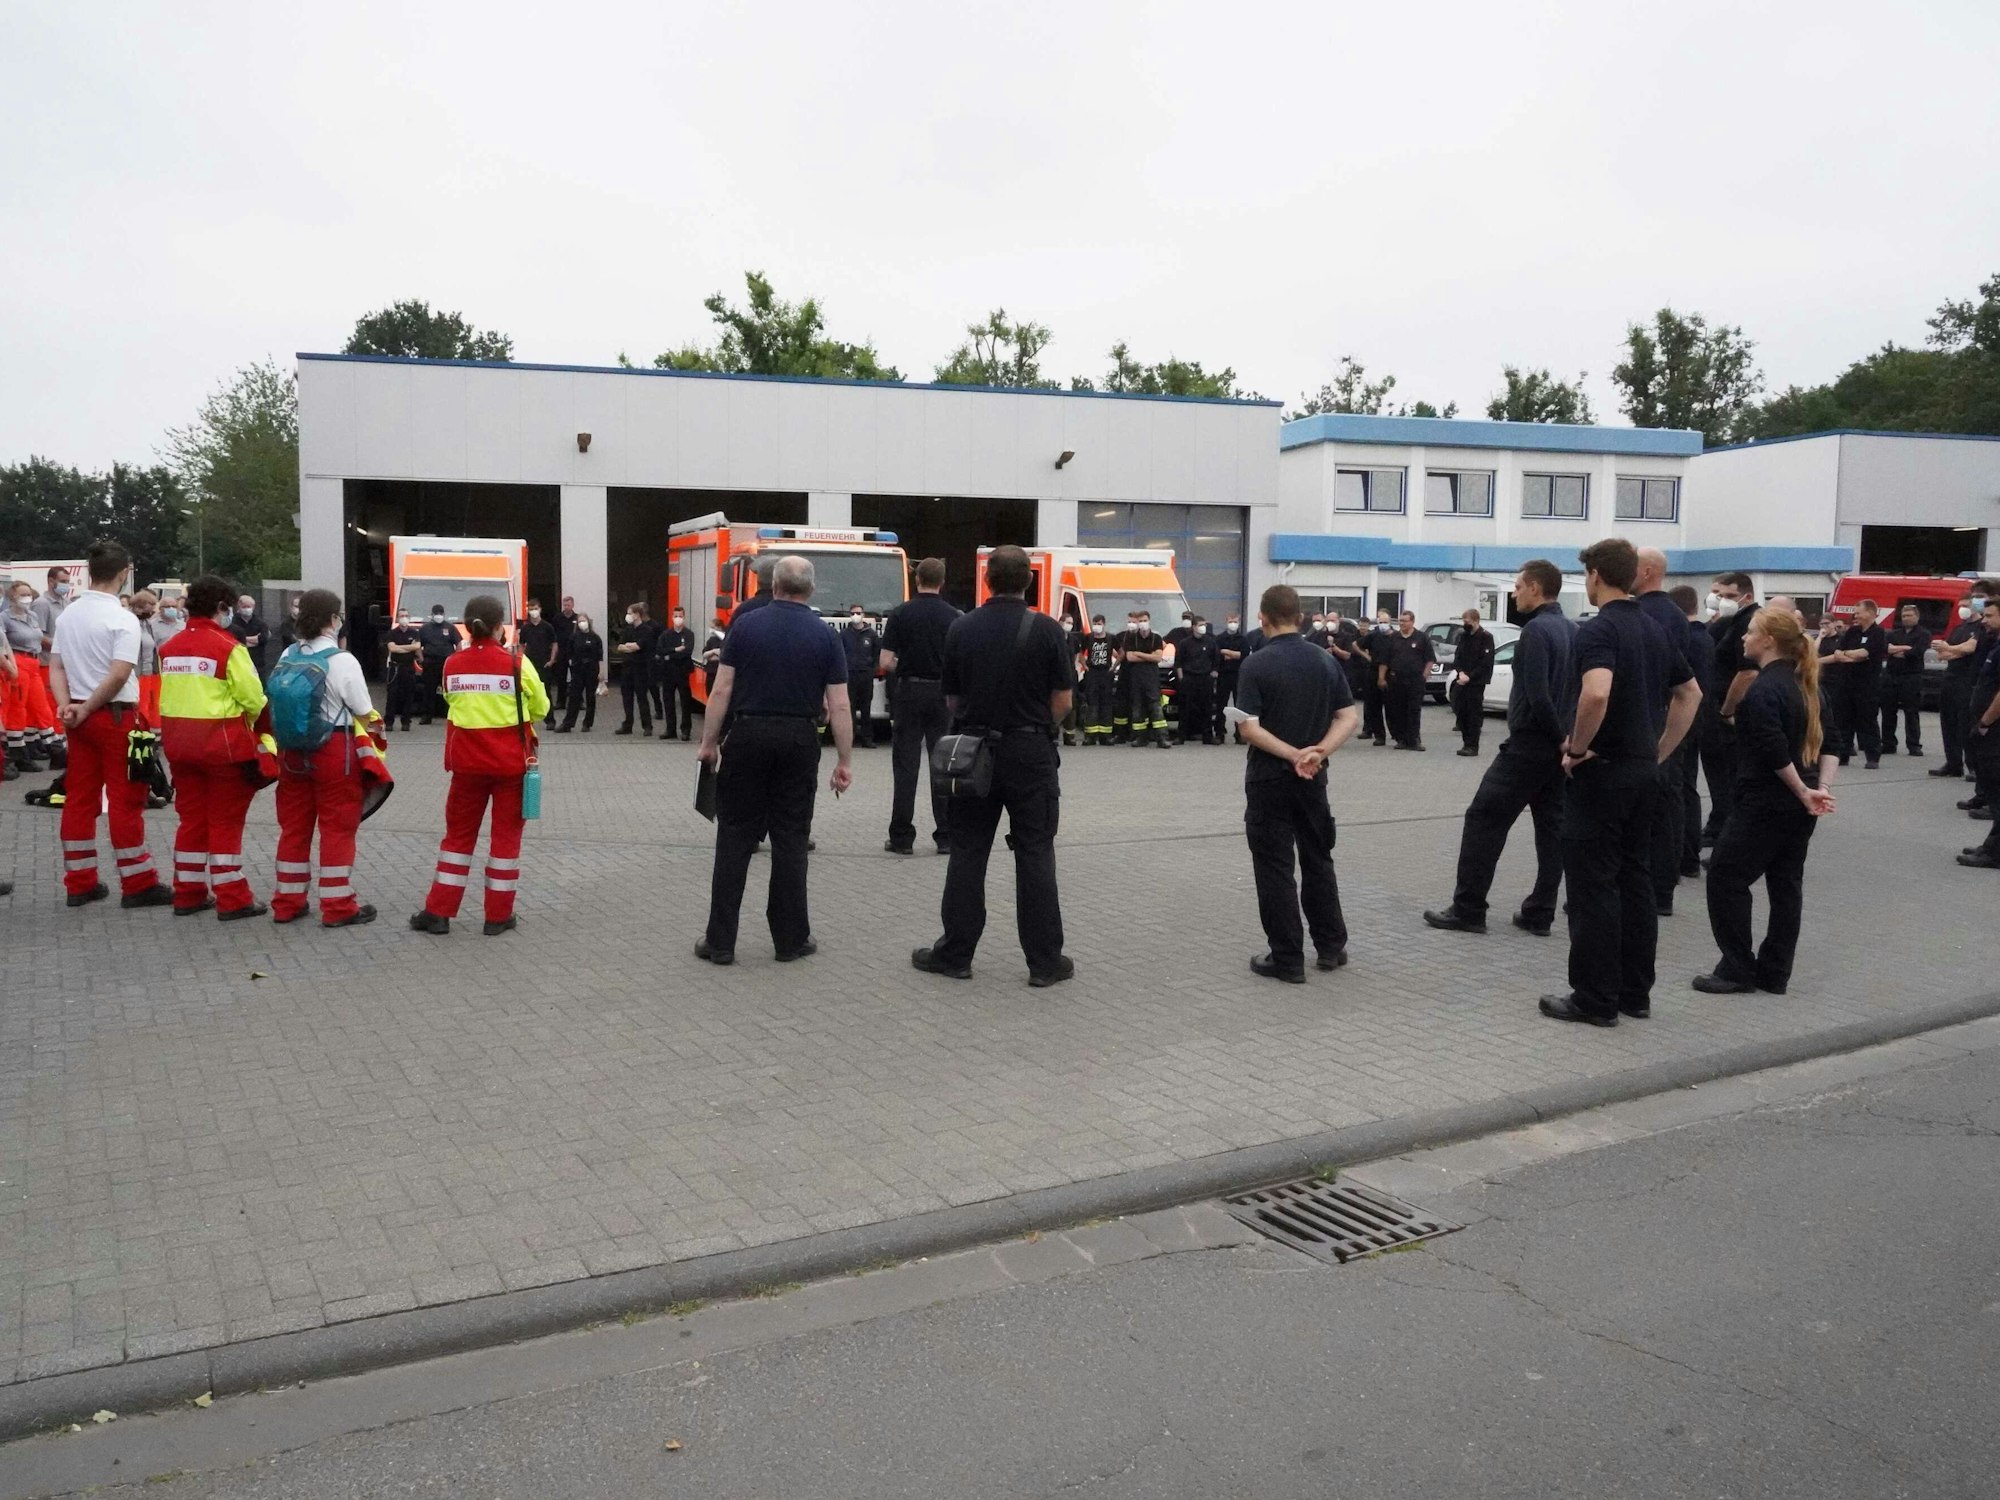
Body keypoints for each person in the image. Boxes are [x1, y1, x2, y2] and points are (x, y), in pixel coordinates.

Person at [1537, 538, 1700, 1028]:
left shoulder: (1599, 630)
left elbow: (1596, 693)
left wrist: (1578, 747)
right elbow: (1689, 694)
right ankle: (1635, 992)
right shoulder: (1655, 627)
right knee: (1635, 881)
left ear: (1596, 576)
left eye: (1585, 574)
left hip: (1602, 774)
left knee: (1593, 887)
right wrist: (1659, 751)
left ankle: (1594, 997)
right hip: (1642, 774)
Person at [911, 545, 1075, 987]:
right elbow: (1062, 701)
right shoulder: (1047, 631)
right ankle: (1044, 964)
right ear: (1029, 582)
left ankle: (956, 954)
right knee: (1036, 854)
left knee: (967, 852)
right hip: (1031, 755)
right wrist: (1035, 724)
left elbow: (952, 699)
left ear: (988, 581)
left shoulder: (962, 628)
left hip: (973, 756)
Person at [696, 556, 851, 963]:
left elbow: (722, 689)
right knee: (791, 840)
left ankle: (720, 942)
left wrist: (709, 742)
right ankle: (790, 939)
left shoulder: (745, 625)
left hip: (747, 736)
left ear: (774, 586)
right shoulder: (825, 635)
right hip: (799, 740)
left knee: (734, 837)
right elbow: (839, 705)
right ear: (811, 590)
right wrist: (845, 761)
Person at [1423, 561, 1577, 938]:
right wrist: (1568, 740)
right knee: (1551, 829)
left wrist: (1558, 737)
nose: (1513, 593)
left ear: (1536, 589)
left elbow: (1538, 695)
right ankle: (1540, 912)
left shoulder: (1537, 632)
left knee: (1483, 819)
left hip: (1530, 746)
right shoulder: (1572, 630)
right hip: (1557, 750)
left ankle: (1469, 908)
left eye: (1519, 586)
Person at [1693, 608, 1838, 991]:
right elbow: (1831, 743)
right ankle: (1775, 971)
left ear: (1769, 640)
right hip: (1800, 805)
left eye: (1751, 632)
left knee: (1725, 877)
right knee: (1785, 883)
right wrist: (1820, 787)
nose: (1744, 637)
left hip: (1766, 802)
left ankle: (1737, 967)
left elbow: (1774, 751)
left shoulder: (1763, 690)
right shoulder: (1807, 685)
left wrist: (1803, 789)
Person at [1233, 584, 1361, 982]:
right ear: (1302, 618)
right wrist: (1318, 753)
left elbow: (1248, 729)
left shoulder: (1254, 665)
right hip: (1313, 782)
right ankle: (1330, 946)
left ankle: (1286, 958)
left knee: (1275, 868)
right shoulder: (1324, 661)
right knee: (1318, 858)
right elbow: (1348, 717)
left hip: (1269, 779)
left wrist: (1292, 755)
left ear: (1262, 618)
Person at [410, 594, 549, 937]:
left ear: (468, 627)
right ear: (500, 627)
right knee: (505, 841)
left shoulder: (452, 664)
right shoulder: (518, 663)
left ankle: (438, 913)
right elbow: (542, 708)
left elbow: (449, 701)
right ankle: (497, 917)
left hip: (466, 767)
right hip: (511, 767)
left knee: (457, 838)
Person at [47, 541, 169, 908]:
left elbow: (56, 666)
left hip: (79, 719)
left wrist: (68, 706)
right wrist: (87, 708)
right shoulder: (122, 618)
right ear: (124, 573)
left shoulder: (68, 615)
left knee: (80, 799)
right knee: (127, 799)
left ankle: (80, 881)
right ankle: (138, 882)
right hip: (119, 717)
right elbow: (119, 674)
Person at [269, 589, 389, 928]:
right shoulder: (342, 660)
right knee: (337, 828)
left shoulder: (288, 654)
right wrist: (379, 733)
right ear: (333, 619)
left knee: (294, 827)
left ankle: (287, 903)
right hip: (335, 750)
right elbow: (364, 711)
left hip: (291, 751)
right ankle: (338, 906)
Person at [158, 575, 274, 919]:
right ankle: (233, 897)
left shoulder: (170, 647)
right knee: (225, 821)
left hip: (179, 746)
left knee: (191, 820)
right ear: (222, 607)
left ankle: (189, 893)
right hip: (222, 746)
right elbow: (253, 699)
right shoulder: (229, 647)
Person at [879, 558, 961, 854]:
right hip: (942, 696)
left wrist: (907, 665)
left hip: (909, 693)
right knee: (943, 765)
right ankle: (946, 837)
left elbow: (885, 661)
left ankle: (901, 838)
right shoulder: (955, 616)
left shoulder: (901, 613)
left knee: (905, 766)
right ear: (942, 581)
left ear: (917, 581)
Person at [1633, 549, 1695, 916]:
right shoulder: (1675, 616)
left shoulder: (1649, 615)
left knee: (1653, 811)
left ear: (1648, 571)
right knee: (1666, 808)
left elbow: (1678, 684)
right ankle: (1661, 891)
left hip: (1653, 726)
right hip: (1667, 724)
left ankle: (1656, 891)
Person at [1699, 573, 1758, 845]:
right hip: (1716, 708)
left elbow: (1747, 673)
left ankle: (1730, 837)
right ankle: (1718, 826)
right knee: (1719, 777)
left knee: (1729, 777)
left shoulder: (1750, 622)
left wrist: (1726, 711)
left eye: (1729, 596)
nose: (1721, 600)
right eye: (1717, 594)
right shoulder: (1729, 621)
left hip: (1730, 714)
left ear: (1747, 596)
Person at [1670, 585, 1717, 877]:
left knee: (1679, 789)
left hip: (1684, 721)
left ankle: (1683, 855)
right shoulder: (1705, 638)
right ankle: (1688, 855)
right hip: (1700, 721)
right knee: (1687, 787)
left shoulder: (1686, 640)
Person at [1955, 599, 2000, 867]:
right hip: (1988, 729)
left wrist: (1985, 722)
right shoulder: (1995, 645)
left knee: (1997, 792)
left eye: (1991, 616)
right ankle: (1991, 847)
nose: (1984, 620)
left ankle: (1994, 854)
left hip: (1994, 732)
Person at [1821, 599, 1887, 768]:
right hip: (1846, 682)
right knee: (1843, 719)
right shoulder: (1852, 632)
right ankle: (1842, 754)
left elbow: (1864, 653)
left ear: (1871, 613)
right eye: (1855, 612)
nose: (1855, 616)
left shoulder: (1878, 633)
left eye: (1859, 612)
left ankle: (1872, 756)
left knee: (1867, 720)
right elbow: (1838, 653)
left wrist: (1847, 654)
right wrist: (1847, 655)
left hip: (1867, 684)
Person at [4, 578, 60, 771]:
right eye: (22, 594)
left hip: (34, 661)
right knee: (18, 707)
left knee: (41, 706)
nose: (27, 598)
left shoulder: (32, 616)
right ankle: (18, 754)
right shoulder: (5, 618)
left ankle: (56, 750)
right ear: (12, 596)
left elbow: (39, 638)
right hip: (17, 660)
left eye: (29, 594)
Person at [1378, 611, 1435, 750]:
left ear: (1412, 621)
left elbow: (1430, 659)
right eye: (1400, 621)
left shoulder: (1421, 638)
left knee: (1414, 710)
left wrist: (1424, 675)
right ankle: (1401, 739)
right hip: (1396, 679)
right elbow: (1384, 660)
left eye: (1405, 621)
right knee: (1398, 710)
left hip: (1415, 680)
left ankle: (1414, 740)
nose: (1402, 623)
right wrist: (1381, 677)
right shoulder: (1394, 638)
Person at [1879, 603, 1931, 757]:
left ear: (1917, 616)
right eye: (1904, 616)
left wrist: (1899, 650)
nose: (1906, 618)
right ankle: (1888, 743)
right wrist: (1904, 648)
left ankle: (1914, 745)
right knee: (1888, 711)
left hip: (1911, 676)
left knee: (1911, 712)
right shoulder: (1893, 633)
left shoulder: (1924, 634)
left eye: (1909, 615)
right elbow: (1885, 648)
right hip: (1891, 676)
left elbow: (1917, 651)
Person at [1117, 609, 1170, 748]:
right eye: (1140, 621)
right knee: (1137, 708)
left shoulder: (1156, 638)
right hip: (1136, 677)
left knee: (1155, 707)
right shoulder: (1131, 638)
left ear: (1149, 621)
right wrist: (1149, 656)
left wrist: (1139, 653)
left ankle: (1162, 738)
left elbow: (1158, 657)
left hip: (1151, 677)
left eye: (1144, 620)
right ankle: (1140, 738)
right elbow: (1129, 657)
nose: (1142, 623)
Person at [1450, 608, 1495, 756]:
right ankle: (1465, 742)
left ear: (1476, 620)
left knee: (1473, 714)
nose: (1465, 624)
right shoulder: (1464, 636)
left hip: (1476, 682)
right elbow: (1458, 657)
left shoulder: (1486, 637)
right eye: (1463, 621)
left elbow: (1485, 662)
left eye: (1467, 621)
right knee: (1460, 710)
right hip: (1462, 679)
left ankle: (1472, 745)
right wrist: (1460, 672)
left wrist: (1470, 676)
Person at [612, 601, 659, 735]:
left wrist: (630, 646)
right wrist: (629, 646)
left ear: (637, 614)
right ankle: (627, 724)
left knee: (641, 697)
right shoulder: (627, 630)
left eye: (630, 613)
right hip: (627, 668)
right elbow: (620, 647)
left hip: (641, 668)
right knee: (627, 697)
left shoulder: (647, 630)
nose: (628, 616)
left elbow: (638, 646)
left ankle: (647, 726)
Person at [841, 605, 883, 749]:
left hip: (866, 675)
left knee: (866, 709)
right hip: (850, 675)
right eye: (853, 613)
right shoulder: (844, 634)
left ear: (863, 614)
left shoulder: (871, 635)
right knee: (849, 708)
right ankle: (849, 739)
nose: (855, 615)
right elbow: (839, 654)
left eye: (858, 613)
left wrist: (873, 669)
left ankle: (867, 739)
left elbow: (878, 653)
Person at [1174, 615, 1220, 745]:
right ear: (1194, 627)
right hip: (1189, 678)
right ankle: (1181, 736)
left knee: (1207, 708)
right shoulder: (1185, 643)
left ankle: (1208, 736)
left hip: (1205, 678)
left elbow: (1216, 660)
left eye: (1204, 625)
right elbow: (1179, 662)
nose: (1203, 628)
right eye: (1200, 625)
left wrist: (1213, 674)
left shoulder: (1211, 642)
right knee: (1185, 709)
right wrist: (1182, 678)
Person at [557, 611, 606, 732]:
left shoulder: (595, 638)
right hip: (578, 670)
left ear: (588, 622)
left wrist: (601, 673)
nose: (582, 623)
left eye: (584, 621)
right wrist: (572, 665)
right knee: (574, 697)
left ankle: (587, 723)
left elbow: (600, 656)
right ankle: (568, 723)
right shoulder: (574, 637)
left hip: (592, 670)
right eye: (579, 621)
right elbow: (569, 653)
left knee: (590, 698)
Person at [516, 599, 560, 730]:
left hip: (544, 663)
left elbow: (554, 644)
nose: (533, 611)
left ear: (540, 609)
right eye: (531, 609)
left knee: (546, 692)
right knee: (527, 692)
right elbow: (522, 645)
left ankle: (550, 720)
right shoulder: (525, 628)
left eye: (535, 608)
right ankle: (529, 720)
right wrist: (520, 660)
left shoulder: (547, 627)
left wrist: (552, 660)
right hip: (530, 664)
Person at [656, 605, 698, 741]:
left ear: (684, 618)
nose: (678, 619)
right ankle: (670, 730)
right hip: (667, 672)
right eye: (675, 616)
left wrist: (669, 654)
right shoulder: (666, 635)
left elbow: (687, 652)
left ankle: (686, 730)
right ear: (672, 617)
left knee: (685, 702)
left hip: (683, 672)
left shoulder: (689, 634)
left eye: (680, 616)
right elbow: (660, 650)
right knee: (668, 701)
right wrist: (675, 650)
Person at [1076, 614, 1117, 746]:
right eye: (1095, 623)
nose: (1096, 626)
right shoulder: (1088, 638)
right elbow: (1080, 653)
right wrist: (1085, 666)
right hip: (1092, 673)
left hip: (1106, 673)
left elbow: (1121, 652)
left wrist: (1114, 667)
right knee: (1091, 703)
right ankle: (1090, 736)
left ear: (1104, 624)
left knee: (1106, 704)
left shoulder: (1111, 638)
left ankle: (1106, 736)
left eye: (1099, 623)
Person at [417, 605, 457, 724]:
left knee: (449, 690)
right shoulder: (425, 628)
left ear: (444, 614)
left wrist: (456, 659)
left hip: (446, 664)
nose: (438, 615)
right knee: (428, 690)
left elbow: (458, 644)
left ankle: (452, 715)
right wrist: (421, 659)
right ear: (432, 614)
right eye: (436, 613)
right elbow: (418, 645)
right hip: (430, 663)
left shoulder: (450, 628)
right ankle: (427, 716)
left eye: (440, 613)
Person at [384, 610, 424, 730]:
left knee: (409, 695)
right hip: (395, 668)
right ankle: (389, 722)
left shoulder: (414, 632)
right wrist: (409, 647)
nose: (404, 618)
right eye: (401, 616)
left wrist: (400, 647)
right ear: (397, 618)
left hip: (408, 667)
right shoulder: (392, 633)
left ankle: (406, 722)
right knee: (392, 695)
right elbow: (392, 648)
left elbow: (417, 647)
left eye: (406, 616)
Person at [1360, 609, 1395, 745]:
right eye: (1381, 622)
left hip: (1390, 674)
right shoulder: (1374, 636)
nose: (1383, 624)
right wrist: (1367, 657)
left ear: (1390, 622)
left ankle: (1396, 734)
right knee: (1374, 706)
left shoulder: (1395, 637)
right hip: (1373, 672)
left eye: (1385, 622)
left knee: (1392, 706)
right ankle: (1379, 736)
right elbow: (1357, 645)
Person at [1214, 611, 1249, 741]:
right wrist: (1235, 654)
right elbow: (1217, 655)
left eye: (1235, 622)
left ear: (1238, 622)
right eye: (1230, 621)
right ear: (1226, 622)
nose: (1232, 624)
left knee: (1239, 705)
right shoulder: (1219, 638)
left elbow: (1244, 656)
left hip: (1238, 675)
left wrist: (1228, 652)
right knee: (1220, 705)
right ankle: (1219, 733)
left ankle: (1239, 734)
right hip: (1223, 675)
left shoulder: (1243, 639)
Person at [229, 594, 272, 678]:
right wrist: (254, 640)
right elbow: (232, 639)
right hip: (239, 663)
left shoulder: (260, 623)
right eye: (244, 606)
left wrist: (244, 640)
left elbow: (263, 638)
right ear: (239, 606)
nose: (247, 609)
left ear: (253, 607)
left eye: (249, 606)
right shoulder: (232, 622)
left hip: (258, 663)